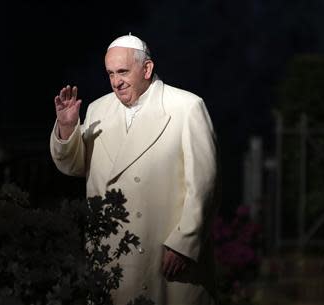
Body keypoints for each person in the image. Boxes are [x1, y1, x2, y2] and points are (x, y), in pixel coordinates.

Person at [50, 34, 219, 305]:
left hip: (163, 255)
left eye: (123, 72)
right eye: (110, 73)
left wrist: (184, 244)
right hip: (110, 251)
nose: (116, 82)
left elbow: (204, 184)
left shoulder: (186, 107)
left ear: (147, 68)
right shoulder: (97, 109)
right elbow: (75, 166)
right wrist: (68, 128)